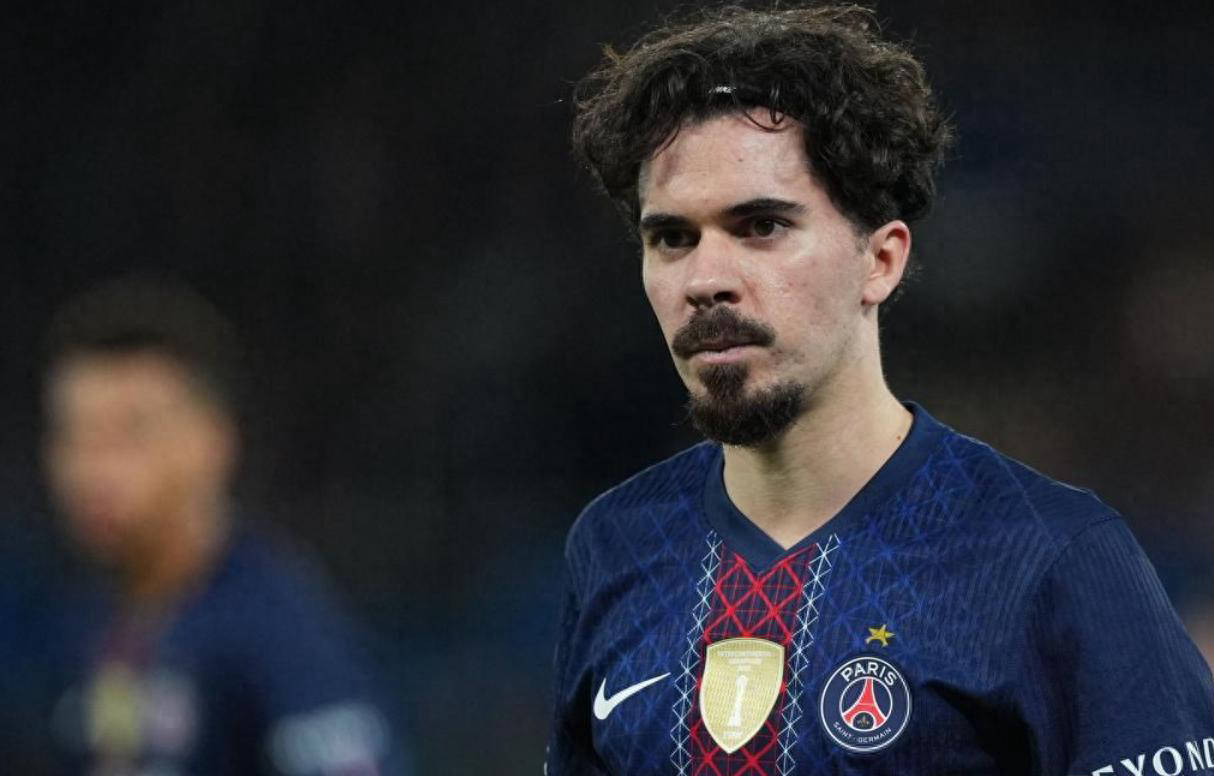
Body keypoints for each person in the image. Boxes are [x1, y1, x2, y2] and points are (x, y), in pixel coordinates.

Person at [547, 5, 1214, 775]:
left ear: (881, 260)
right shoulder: (615, 545)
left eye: (761, 226)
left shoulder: (1048, 557)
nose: (706, 279)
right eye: (672, 237)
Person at [39, 277, 408, 775]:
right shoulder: (86, 620)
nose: (93, 470)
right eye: (74, 435)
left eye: (130, 434)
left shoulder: (275, 628)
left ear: (213, 441)